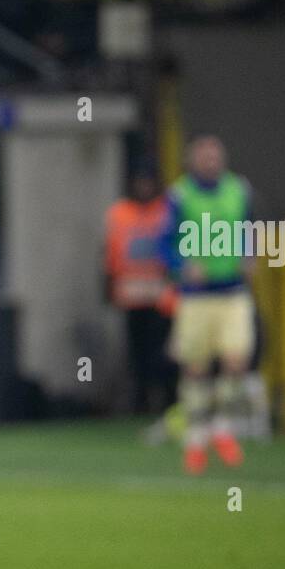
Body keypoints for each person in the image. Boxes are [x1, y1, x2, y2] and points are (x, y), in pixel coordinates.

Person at [162, 136, 257, 474]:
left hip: (233, 291)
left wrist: (250, 253)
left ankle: (223, 428)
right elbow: (164, 243)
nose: (211, 162)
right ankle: (196, 439)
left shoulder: (238, 190)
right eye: (204, 157)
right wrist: (181, 265)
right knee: (196, 368)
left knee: (236, 358)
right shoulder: (179, 195)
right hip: (196, 296)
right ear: (192, 161)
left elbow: (250, 228)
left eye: (215, 157)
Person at [103, 171, 175, 414]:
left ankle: (167, 399)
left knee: (164, 351)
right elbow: (110, 254)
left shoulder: (165, 209)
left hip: (161, 296)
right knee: (138, 355)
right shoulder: (119, 213)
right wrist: (108, 288)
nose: (144, 186)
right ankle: (142, 401)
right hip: (132, 295)